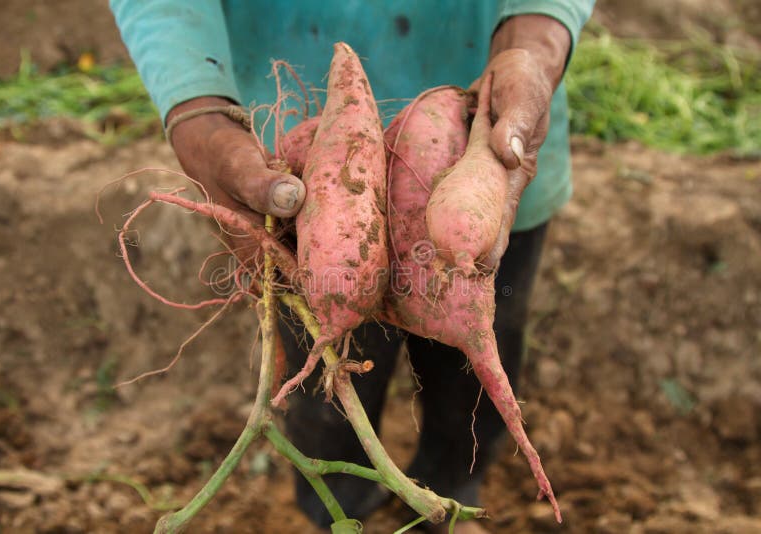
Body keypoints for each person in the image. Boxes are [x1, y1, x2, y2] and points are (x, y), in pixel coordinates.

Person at [110, 2, 594, 532]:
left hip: (487, 134)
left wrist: (533, 48)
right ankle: (339, 511)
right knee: (326, 390)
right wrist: (194, 111)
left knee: (471, 384)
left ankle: (451, 496)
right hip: (299, 183)